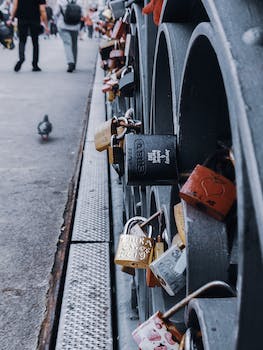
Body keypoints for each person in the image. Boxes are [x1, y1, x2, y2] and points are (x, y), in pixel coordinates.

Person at [7, 0, 49, 72]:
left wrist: (11, 18)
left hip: (22, 19)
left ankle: (21, 58)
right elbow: (42, 10)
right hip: (35, 19)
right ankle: (35, 65)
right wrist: (46, 25)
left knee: (22, 40)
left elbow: (15, 6)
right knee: (35, 42)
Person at [54, 0, 83, 73]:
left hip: (63, 25)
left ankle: (70, 62)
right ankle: (74, 63)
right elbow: (82, 14)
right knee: (74, 44)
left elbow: (56, 13)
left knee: (67, 44)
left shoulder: (60, 1)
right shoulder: (78, 1)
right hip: (75, 26)